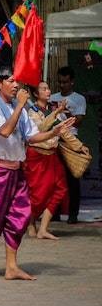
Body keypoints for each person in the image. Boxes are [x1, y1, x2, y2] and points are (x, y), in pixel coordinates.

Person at [0, 68, 74, 280]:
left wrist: (54, 131)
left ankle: (11, 266)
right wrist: (19, 105)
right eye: (11, 81)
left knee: (20, 216)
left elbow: (32, 136)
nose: (16, 85)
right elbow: (5, 131)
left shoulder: (21, 108)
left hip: (16, 170)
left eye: (16, 81)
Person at [25, 81, 87, 239]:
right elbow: (41, 129)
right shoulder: (31, 112)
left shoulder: (55, 111)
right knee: (37, 194)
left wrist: (79, 146)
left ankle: (43, 228)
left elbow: (64, 133)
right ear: (36, 94)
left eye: (48, 88)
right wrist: (56, 112)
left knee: (60, 190)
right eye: (44, 89)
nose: (48, 91)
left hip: (52, 155)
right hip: (36, 156)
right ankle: (31, 222)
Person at [50, 66, 87, 224]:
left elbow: (78, 122)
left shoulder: (79, 99)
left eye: (65, 82)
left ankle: (73, 214)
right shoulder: (52, 97)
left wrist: (64, 111)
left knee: (72, 179)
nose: (62, 85)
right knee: (55, 179)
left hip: (71, 141)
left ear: (72, 82)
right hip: (55, 141)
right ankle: (55, 213)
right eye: (60, 82)